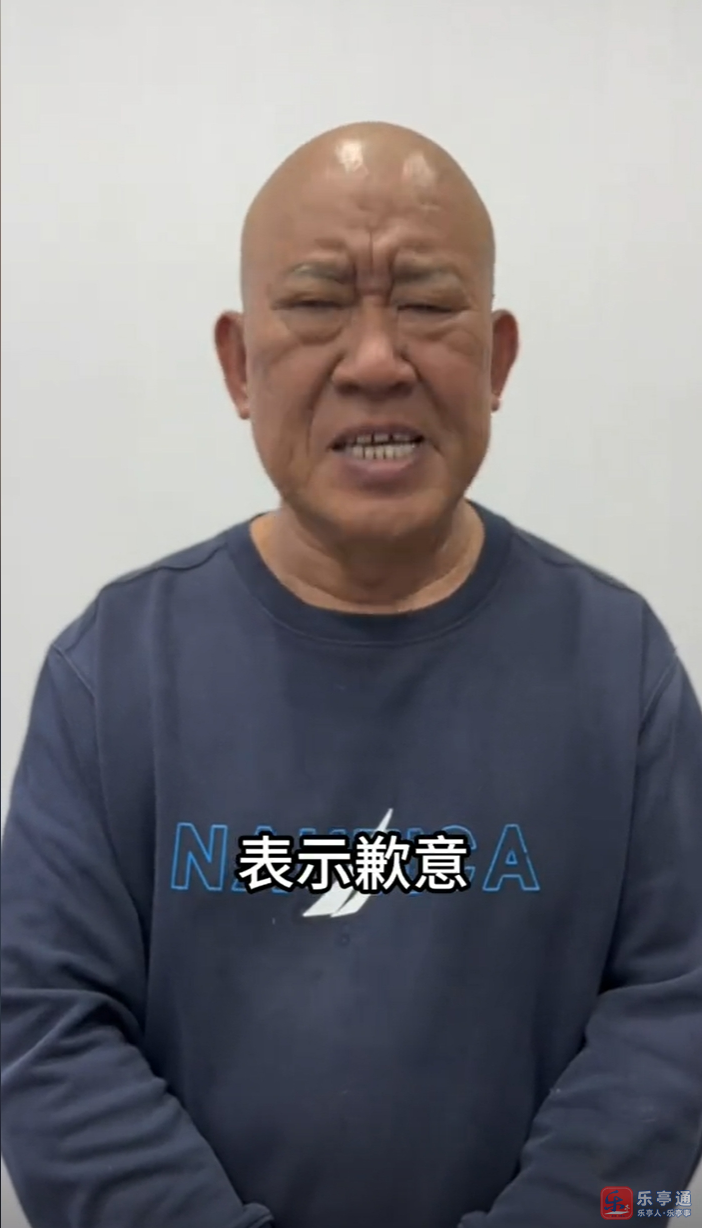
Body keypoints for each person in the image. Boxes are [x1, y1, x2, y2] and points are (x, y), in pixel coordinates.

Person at [1, 121, 701, 1228]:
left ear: (498, 359)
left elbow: (674, 1014)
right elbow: (43, 1030)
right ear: (240, 364)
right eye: (320, 303)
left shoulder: (620, 668)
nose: (377, 360)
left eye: (425, 302)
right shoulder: (114, 673)